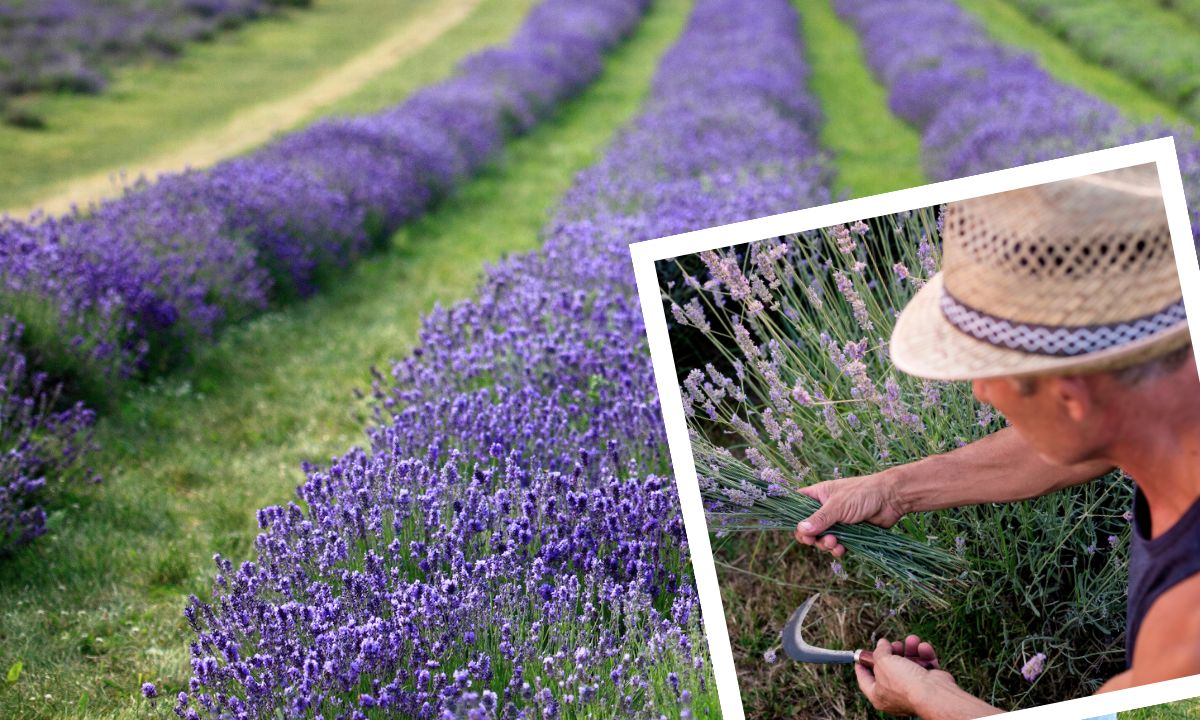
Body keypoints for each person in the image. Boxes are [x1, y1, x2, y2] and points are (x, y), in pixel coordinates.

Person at [793, 164, 1199, 719]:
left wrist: (927, 697)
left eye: (990, 372)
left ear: (1071, 392)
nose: (981, 393)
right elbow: (1095, 434)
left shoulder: (1186, 630)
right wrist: (893, 489)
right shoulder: (1165, 398)